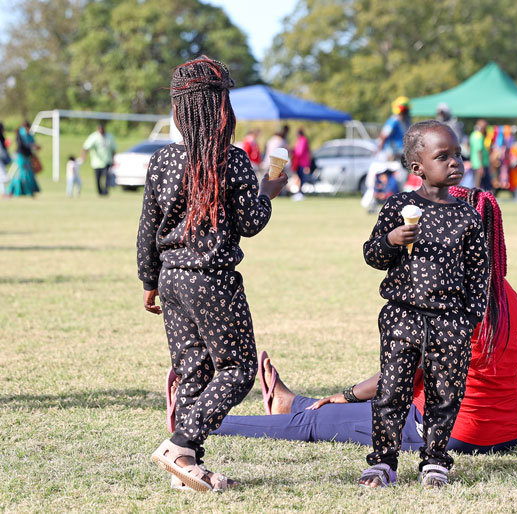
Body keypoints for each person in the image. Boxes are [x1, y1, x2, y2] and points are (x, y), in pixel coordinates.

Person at [210, 190, 517, 465]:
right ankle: (289, 402)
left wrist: (347, 395)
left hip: (457, 433)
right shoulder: (504, 292)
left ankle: (204, 421)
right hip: (507, 431)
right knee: (329, 410)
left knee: (310, 425)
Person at [137, 56, 287, 493]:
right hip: (212, 280)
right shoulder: (232, 161)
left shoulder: (161, 161)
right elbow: (251, 222)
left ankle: (188, 468)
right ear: (223, 110)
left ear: (180, 111)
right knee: (238, 369)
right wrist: (269, 190)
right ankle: (180, 445)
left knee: (193, 370)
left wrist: (149, 281)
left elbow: (148, 226)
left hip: (171, 278)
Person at [359, 120, 489, 488]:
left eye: (457, 155)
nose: (454, 163)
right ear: (417, 168)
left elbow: (479, 272)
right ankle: (383, 461)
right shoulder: (399, 205)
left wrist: (470, 318)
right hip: (403, 315)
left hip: (451, 320)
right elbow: (372, 256)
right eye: (442, 156)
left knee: (445, 393)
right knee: (392, 390)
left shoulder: (467, 215)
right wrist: (393, 239)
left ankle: (435, 461)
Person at [7, 121, 41, 197]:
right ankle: (15, 191)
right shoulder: (20, 134)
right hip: (20, 156)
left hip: (27, 156)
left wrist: (34, 148)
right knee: (22, 174)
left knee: (28, 173)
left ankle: (28, 192)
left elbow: (30, 145)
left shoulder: (29, 135)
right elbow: (21, 146)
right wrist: (31, 146)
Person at [82, 123, 116, 196]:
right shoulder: (94, 137)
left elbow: (113, 149)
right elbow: (85, 147)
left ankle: (106, 191)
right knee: (98, 179)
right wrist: (83, 157)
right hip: (97, 162)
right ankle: (100, 192)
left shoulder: (109, 136)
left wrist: (114, 160)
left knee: (107, 177)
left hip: (107, 161)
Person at [469, 120, 492, 191]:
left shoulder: (473, 134)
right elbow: (479, 151)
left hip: (476, 163)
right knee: (479, 185)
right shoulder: (478, 136)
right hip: (480, 164)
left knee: (479, 184)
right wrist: (481, 166)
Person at [291, 128, 312, 201]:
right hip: (299, 162)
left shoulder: (303, 140)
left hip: (302, 163)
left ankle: (300, 193)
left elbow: (300, 152)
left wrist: (293, 152)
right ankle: (299, 192)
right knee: (299, 178)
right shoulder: (301, 140)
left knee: (301, 178)